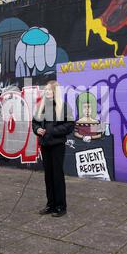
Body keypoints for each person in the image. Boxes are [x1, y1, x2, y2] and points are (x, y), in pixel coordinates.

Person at [32, 81, 74, 217]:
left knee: (57, 175)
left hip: (57, 145)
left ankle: (61, 206)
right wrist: (37, 129)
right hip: (45, 145)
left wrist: (52, 131)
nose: (47, 92)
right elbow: (35, 123)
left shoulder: (63, 107)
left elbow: (69, 125)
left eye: (50, 90)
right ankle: (50, 205)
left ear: (55, 92)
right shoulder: (41, 106)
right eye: (46, 90)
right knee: (48, 176)